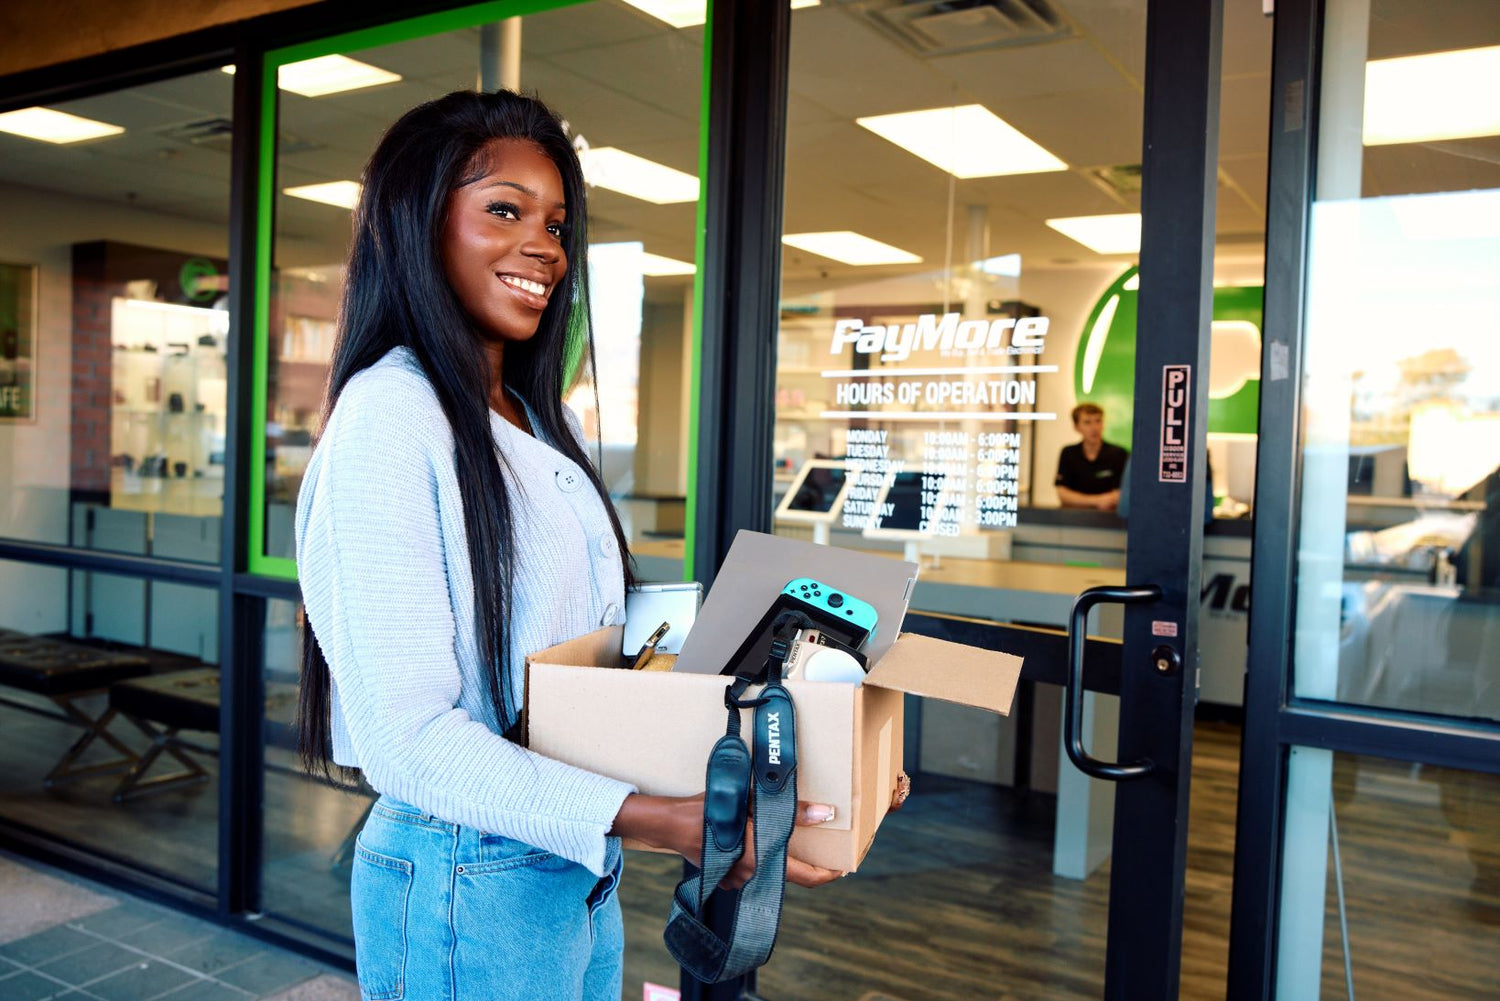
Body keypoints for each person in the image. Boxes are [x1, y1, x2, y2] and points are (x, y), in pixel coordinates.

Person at [293, 90, 839, 1001]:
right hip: (465, 867)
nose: (544, 246)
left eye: (557, 222)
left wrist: (813, 751)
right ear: (416, 226)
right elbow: (410, 739)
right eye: (503, 209)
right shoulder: (390, 417)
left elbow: (591, 664)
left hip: (568, 857)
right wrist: (667, 821)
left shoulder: (538, 421)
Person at [1055, 402, 1128, 511]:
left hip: (1108, 518)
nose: (1094, 427)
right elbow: (1063, 494)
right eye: (1087, 422)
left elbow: (1121, 493)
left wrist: (1082, 500)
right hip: (1073, 518)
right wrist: (1097, 500)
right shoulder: (1068, 453)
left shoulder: (1118, 453)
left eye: (1098, 421)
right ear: (1076, 427)